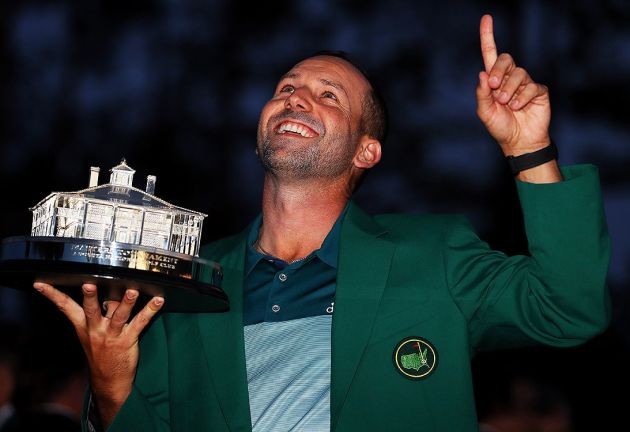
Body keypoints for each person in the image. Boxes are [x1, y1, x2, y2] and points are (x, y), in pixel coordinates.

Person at [33, 14, 610, 431]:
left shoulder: (434, 255)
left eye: (328, 96)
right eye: (286, 88)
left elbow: (569, 309)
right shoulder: (186, 285)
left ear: (366, 151)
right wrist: (111, 387)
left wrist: (530, 149)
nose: (296, 99)